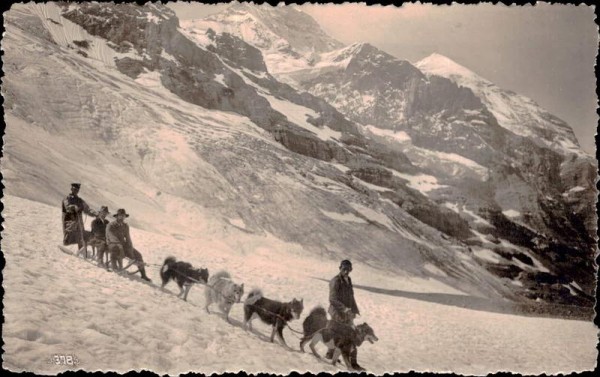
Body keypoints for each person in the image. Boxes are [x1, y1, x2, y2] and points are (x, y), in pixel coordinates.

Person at [327, 259, 361, 367]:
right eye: (344, 269)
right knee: (337, 335)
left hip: (346, 314)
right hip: (337, 313)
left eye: (348, 269)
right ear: (340, 268)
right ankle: (331, 355)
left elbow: (351, 297)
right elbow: (332, 299)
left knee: (346, 335)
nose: (346, 272)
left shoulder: (348, 280)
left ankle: (337, 356)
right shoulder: (335, 281)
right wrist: (344, 309)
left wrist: (355, 310)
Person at [106, 208, 151, 281]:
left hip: (123, 245)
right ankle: (115, 268)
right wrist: (119, 245)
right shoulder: (111, 225)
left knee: (138, 255)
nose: (122, 218)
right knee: (115, 250)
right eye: (120, 216)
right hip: (112, 244)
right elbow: (111, 236)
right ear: (117, 216)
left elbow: (128, 238)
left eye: (123, 216)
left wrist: (130, 247)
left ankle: (143, 275)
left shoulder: (125, 226)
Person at [62, 183, 98, 255]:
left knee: (80, 234)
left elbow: (87, 209)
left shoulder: (80, 200)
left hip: (79, 221)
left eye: (77, 190)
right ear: (71, 189)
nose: (75, 191)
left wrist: (95, 214)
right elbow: (67, 207)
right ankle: (67, 248)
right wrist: (73, 207)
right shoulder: (67, 198)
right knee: (69, 233)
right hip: (69, 220)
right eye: (74, 189)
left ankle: (81, 251)